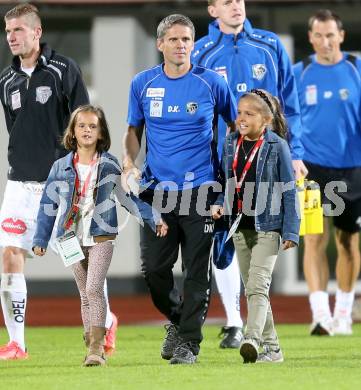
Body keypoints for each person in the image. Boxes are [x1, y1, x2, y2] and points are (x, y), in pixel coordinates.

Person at [0, 4, 119, 360]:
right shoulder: (6, 80)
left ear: (37, 32)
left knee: (81, 266)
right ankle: (17, 343)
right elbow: (16, 129)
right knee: (9, 254)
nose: (12, 37)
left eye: (18, 30)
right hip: (20, 186)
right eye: (8, 32)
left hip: (60, 189)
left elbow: (87, 124)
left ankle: (105, 321)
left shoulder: (64, 70)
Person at [122, 14, 237, 364]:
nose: (181, 45)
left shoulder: (212, 83)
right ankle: (177, 319)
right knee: (154, 272)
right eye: (174, 39)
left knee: (196, 272)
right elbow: (132, 131)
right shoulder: (142, 83)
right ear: (160, 44)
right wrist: (129, 162)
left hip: (202, 190)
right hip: (157, 193)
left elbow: (234, 127)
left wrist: (229, 184)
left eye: (187, 39)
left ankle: (189, 344)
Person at [192, 0, 306, 349]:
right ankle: (234, 322)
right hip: (226, 158)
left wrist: (296, 152)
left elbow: (290, 100)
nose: (235, 6)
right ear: (212, 10)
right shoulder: (201, 51)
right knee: (227, 234)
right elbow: (200, 110)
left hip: (269, 155)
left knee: (264, 231)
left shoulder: (270, 45)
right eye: (226, 2)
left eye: (239, 0)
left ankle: (255, 332)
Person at [32, 104, 167, 366]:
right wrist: (39, 239)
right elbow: (47, 207)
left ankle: (97, 350)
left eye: (93, 126)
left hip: (101, 236)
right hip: (69, 238)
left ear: (101, 132)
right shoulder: (60, 167)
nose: (87, 130)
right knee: (85, 294)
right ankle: (91, 345)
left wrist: (153, 217)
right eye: (81, 125)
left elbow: (126, 198)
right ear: (73, 131)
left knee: (94, 289)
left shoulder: (108, 165)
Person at [212, 89, 300, 363]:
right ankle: (273, 351)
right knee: (253, 288)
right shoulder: (230, 144)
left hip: (269, 226)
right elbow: (224, 179)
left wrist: (291, 230)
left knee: (258, 286)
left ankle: (251, 338)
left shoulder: (276, 146)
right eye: (239, 113)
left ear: (265, 120)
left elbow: (289, 190)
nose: (241, 118)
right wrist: (218, 202)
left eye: (249, 114)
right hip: (239, 226)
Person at [293, 9, 361, 336]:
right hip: (312, 170)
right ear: (310, 38)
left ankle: (344, 313)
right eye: (318, 36)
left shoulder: (357, 69)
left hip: (353, 168)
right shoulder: (299, 74)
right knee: (314, 239)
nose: (325, 42)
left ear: (341, 36)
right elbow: (286, 120)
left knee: (347, 241)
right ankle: (320, 315)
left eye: (330, 35)